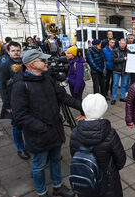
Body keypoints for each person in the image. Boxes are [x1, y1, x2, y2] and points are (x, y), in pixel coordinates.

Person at [11, 49, 82, 197]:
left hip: (54, 129)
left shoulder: (47, 78)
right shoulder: (20, 85)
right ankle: (42, 192)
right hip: (38, 134)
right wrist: (41, 127)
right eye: (42, 60)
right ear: (31, 64)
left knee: (56, 159)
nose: (46, 62)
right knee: (39, 165)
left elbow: (63, 97)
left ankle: (57, 186)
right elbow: (20, 115)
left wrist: (84, 107)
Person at [70, 94, 126, 197]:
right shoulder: (110, 134)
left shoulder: (74, 133)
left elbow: (74, 155)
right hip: (108, 184)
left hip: (86, 183)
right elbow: (121, 162)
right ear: (103, 109)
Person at [0, 41, 29, 160]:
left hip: (26, 99)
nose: (16, 53)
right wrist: (7, 104)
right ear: (8, 52)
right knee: (17, 126)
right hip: (13, 101)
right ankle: (20, 148)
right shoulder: (5, 66)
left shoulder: (25, 63)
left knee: (27, 124)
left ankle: (30, 145)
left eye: (18, 50)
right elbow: (2, 86)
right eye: (13, 51)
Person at [111, 39, 130, 105]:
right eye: (121, 43)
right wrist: (123, 59)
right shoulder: (115, 50)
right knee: (115, 85)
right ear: (119, 43)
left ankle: (122, 97)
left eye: (124, 44)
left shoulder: (128, 51)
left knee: (124, 84)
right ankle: (114, 98)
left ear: (126, 44)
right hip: (117, 70)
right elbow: (113, 59)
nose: (123, 45)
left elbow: (131, 60)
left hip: (125, 71)